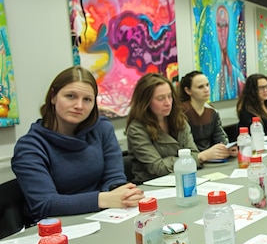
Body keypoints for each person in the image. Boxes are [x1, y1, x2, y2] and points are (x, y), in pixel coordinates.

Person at [12, 66, 144, 222]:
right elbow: (44, 204)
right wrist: (105, 199)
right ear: (53, 97)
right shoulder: (30, 146)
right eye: (70, 96)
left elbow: (114, 178)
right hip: (58, 227)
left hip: (105, 217)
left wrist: (124, 194)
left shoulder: (102, 128)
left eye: (87, 99)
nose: (79, 106)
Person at [126, 73, 200, 183]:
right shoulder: (136, 130)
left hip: (183, 180)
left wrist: (194, 158)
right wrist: (189, 160)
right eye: (160, 98)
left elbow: (195, 154)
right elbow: (158, 167)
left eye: (170, 96)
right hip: (153, 187)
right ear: (145, 102)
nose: (168, 103)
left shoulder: (179, 120)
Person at [179, 71, 237, 161]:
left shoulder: (212, 111)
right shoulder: (181, 113)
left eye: (207, 85)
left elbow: (220, 137)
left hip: (212, 159)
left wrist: (227, 148)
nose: (206, 89)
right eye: (200, 87)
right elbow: (185, 145)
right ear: (188, 90)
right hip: (192, 160)